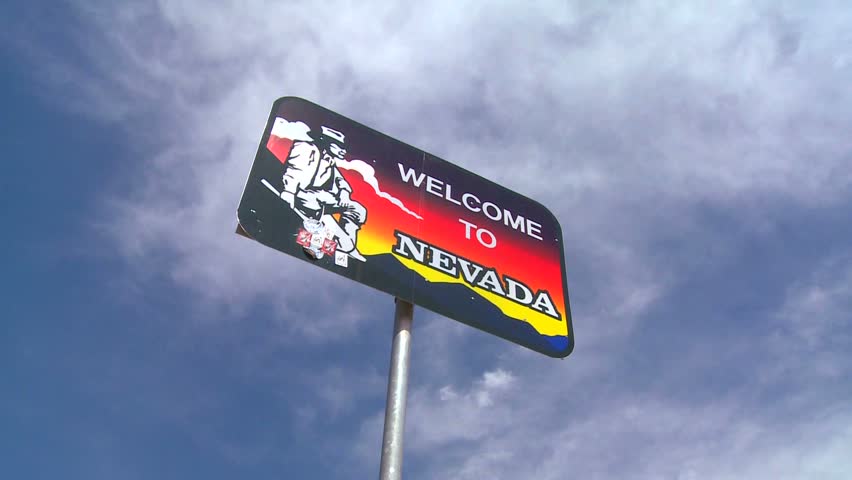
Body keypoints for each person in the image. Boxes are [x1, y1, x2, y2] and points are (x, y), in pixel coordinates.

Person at [279, 126, 367, 261]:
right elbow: (293, 170)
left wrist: (344, 193)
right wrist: (289, 192)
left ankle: (346, 247)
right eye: (340, 146)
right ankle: (340, 244)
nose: (344, 151)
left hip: (320, 198)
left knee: (357, 209)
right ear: (327, 142)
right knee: (325, 212)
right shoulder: (306, 149)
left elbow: (340, 180)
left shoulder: (330, 160)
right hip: (303, 195)